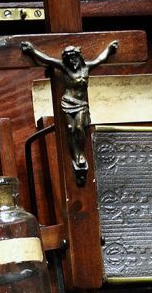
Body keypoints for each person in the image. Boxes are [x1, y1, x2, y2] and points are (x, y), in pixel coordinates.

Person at [19, 39, 119, 186]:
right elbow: (47, 59)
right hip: (68, 102)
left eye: (74, 58)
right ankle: (77, 156)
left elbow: (100, 58)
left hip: (82, 104)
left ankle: (81, 155)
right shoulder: (65, 68)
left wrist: (110, 49)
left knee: (79, 128)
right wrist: (32, 50)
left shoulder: (87, 68)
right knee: (71, 129)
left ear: (79, 57)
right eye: (69, 59)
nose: (72, 61)